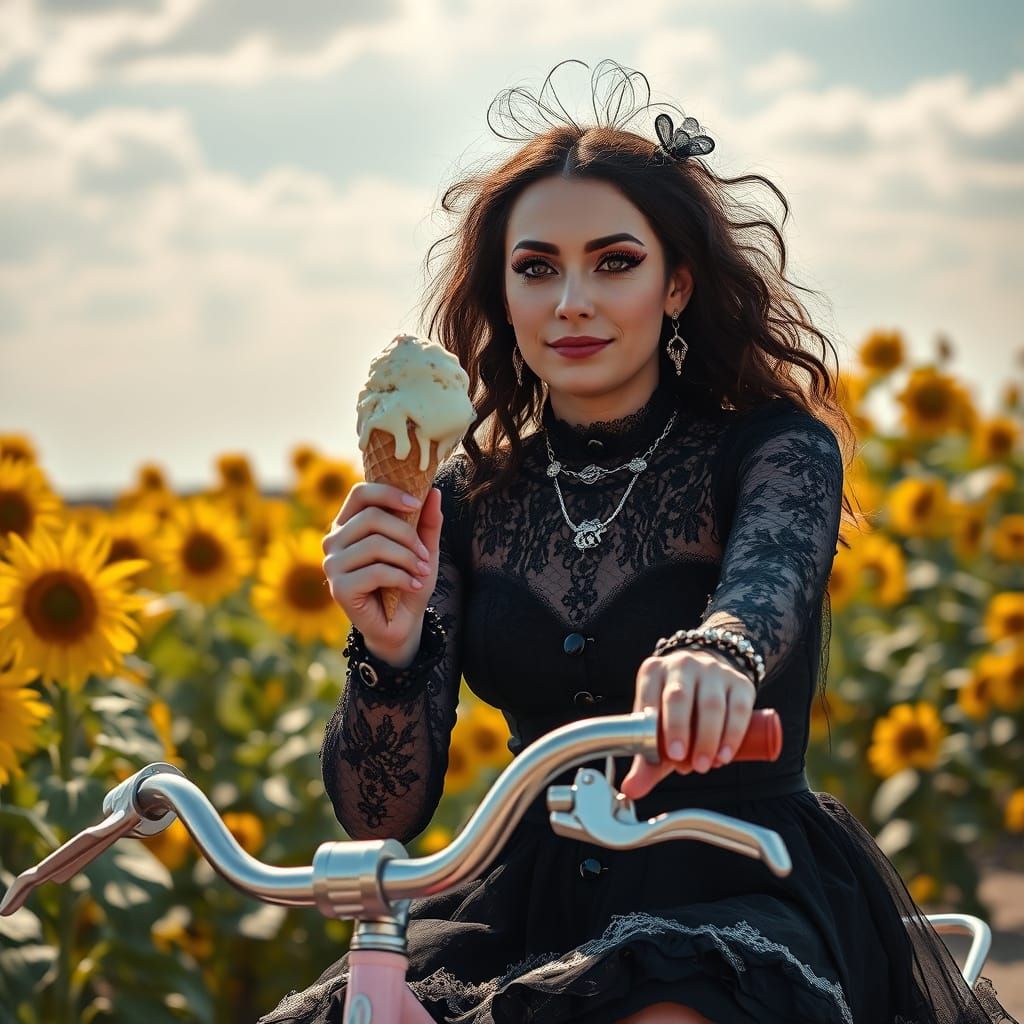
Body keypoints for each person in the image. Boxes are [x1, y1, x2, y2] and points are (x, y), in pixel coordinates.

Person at [260, 60, 1017, 1024]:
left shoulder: (772, 449)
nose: (572, 299)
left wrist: (718, 651)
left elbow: (767, 586)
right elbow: (382, 818)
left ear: (676, 285)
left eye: (614, 261)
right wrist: (390, 646)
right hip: (522, 910)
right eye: (537, 269)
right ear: (505, 298)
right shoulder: (463, 500)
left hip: (737, 891)